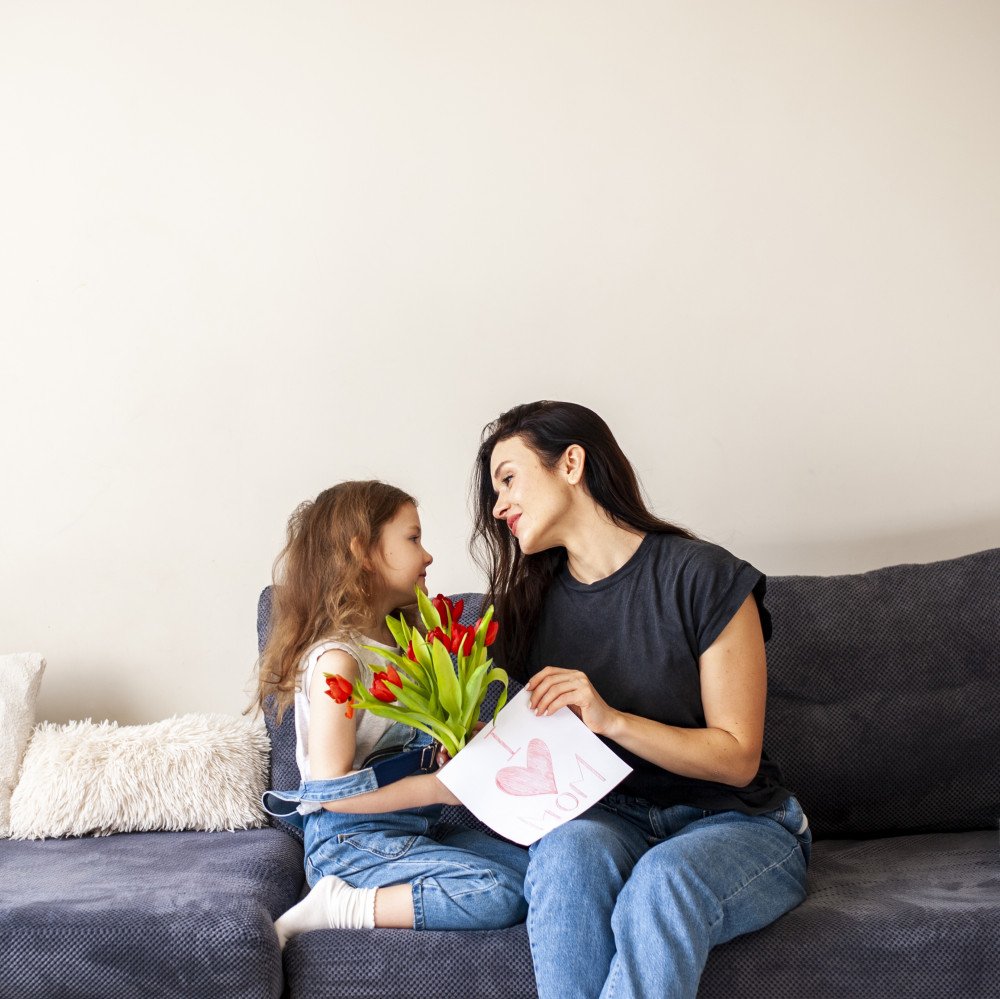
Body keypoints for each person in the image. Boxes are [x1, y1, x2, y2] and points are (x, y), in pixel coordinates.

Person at [470, 401, 811, 999]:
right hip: (612, 823)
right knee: (566, 853)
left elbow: (737, 757)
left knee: (662, 881)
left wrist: (611, 720)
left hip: (738, 823)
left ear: (570, 463)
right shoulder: (526, 610)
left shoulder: (701, 578)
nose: (497, 507)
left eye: (508, 478)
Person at [256, 480, 528, 948]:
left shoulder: (405, 645)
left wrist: (472, 742)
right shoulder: (339, 661)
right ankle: (338, 905)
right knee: (499, 893)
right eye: (413, 538)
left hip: (410, 830)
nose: (427, 555)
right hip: (349, 844)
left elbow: (415, 743)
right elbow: (333, 792)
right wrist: (442, 789)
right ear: (362, 551)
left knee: (540, 871)